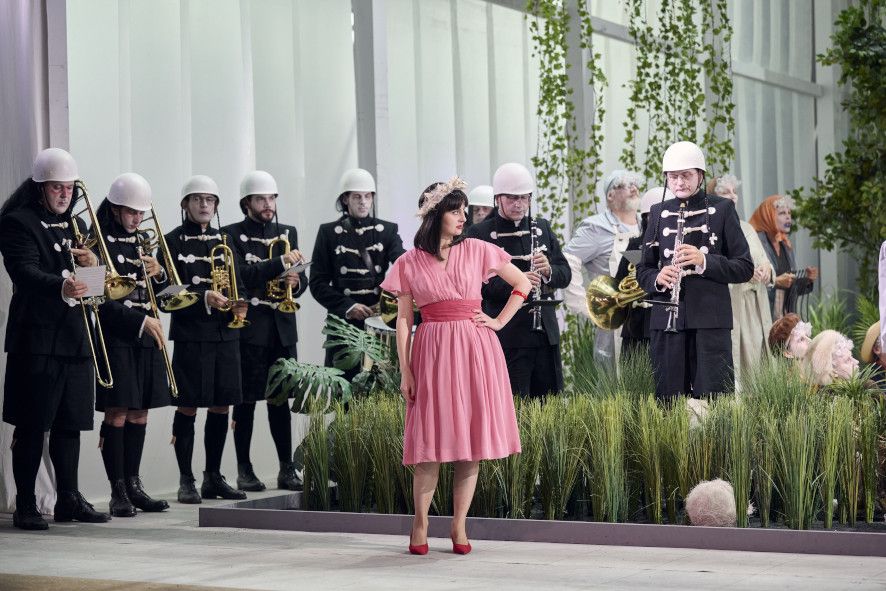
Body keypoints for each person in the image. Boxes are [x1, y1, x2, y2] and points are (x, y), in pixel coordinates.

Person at [380, 178, 529, 556]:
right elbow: (403, 320)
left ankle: (459, 526)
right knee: (429, 443)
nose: (464, 216)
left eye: (465, 209)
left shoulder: (478, 249)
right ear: (434, 215)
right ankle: (420, 522)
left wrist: (497, 321)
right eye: (455, 210)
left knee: (471, 444)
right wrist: (406, 370)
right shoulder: (409, 261)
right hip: (431, 349)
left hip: (476, 349)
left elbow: (523, 283)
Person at [0, 148, 110, 529]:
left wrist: (95, 268)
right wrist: (65, 285)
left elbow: (92, 291)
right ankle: (26, 503)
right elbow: (24, 272)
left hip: (76, 337)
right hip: (37, 339)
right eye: (56, 188)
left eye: (68, 188)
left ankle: (69, 498)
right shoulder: (18, 222)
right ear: (40, 188)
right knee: (32, 424)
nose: (64, 195)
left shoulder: (77, 227)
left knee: (70, 423)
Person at [636, 141, 754, 399]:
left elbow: (745, 267)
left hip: (711, 322)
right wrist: (657, 278)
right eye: (673, 176)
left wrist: (704, 261)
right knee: (667, 404)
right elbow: (642, 269)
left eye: (686, 175)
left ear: (700, 175)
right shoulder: (657, 212)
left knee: (714, 401)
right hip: (666, 321)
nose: (679, 182)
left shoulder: (723, 209)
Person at [165, 175, 248, 504]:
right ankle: (185, 479)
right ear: (185, 204)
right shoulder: (171, 240)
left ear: (216, 206)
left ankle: (212, 476)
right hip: (190, 335)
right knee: (187, 405)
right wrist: (202, 297)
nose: (203, 205)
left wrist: (238, 303)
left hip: (225, 334)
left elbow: (238, 282)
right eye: (197, 199)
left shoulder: (227, 240)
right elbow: (166, 291)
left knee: (221, 405)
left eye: (209, 200)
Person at [222, 171, 307, 492]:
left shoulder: (288, 232)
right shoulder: (230, 234)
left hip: (282, 330)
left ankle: (286, 468)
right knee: (245, 402)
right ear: (247, 203)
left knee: (280, 401)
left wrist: (296, 282)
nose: (268, 204)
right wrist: (279, 264)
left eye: (271, 198)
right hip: (249, 329)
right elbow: (241, 275)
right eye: (261, 199)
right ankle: (244, 468)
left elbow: (299, 277)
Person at [94, 173, 171, 516]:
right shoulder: (97, 243)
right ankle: (118, 490)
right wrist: (138, 322)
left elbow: (167, 297)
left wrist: (161, 275)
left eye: (141, 213)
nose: (137, 218)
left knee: (140, 412)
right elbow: (95, 299)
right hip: (119, 335)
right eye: (130, 212)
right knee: (119, 412)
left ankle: (135, 484)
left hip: (147, 333)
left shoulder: (144, 241)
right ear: (114, 209)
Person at [466, 163, 571, 398]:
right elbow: (478, 286)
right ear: (498, 198)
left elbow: (565, 274)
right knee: (513, 401)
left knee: (549, 402)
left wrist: (548, 271)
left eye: (524, 198)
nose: (519, 204)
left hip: (544, 332)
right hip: (509, 332)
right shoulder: (479, 234)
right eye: (512, 198)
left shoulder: (541, 227)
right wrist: (517, 281)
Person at [309, 168, 405, 380]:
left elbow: (403, 265)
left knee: (379, 388)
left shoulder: (387, 230)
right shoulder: (328, 233)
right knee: (343, 390)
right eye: (357, 197)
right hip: (343, 324)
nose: (363, 202)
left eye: (367, 196)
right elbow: (317, 283)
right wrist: (348, 307)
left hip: (378, 319)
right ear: (345, 199)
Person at [564, 169, 643, 368]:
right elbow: (569, 260)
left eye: (635, 184)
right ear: (610, 195)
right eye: (625, 185)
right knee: (615, 382)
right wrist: (585, 305)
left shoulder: (647, 223)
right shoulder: (596, 227)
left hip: (647, 317)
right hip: (614, 320)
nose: (633, 189)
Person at [707, 175, 774, 388]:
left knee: (759, 365)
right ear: (713, 198)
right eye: (725, 192)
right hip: (732, 305)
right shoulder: (710, 230)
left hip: (756, 307)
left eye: (734, 192)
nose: (732, 196)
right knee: (737, 367)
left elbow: (766, 262)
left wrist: (766, 271)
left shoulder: (747, 228)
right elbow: (714, 268)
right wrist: (744, 273)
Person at [613, 187, 675, 356]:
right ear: (645, 218)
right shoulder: (635, 244)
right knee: (633, 379)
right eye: (651, 215)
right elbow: (619, 283)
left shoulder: (679, 245)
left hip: (668, 323)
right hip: (637, 326)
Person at [748, 195, 819, 319]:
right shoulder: (756, 241)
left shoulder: (785, 244)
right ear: (767, 215)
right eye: (781, 213)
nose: (788, 217)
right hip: (762, 317)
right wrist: (776, 281)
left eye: (789, 213)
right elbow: (750, 281)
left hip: (784, 318)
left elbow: (790, 287)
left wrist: (807, 279)